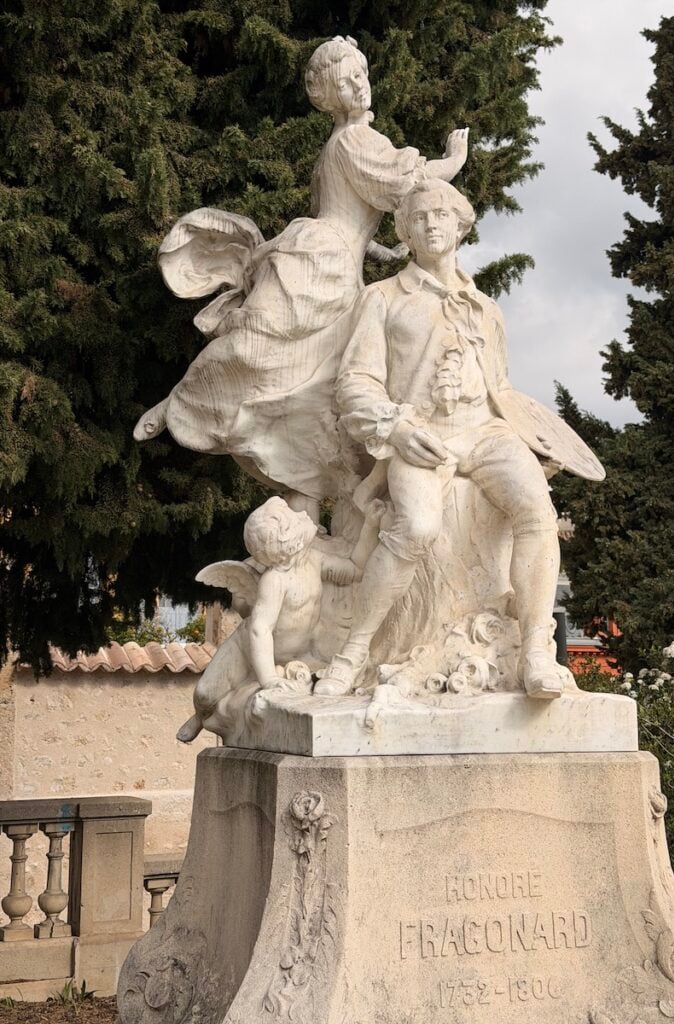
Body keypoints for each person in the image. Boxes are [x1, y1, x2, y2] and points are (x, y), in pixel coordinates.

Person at [134, 36, 469, 514]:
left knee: (319, 376)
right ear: (331, 96)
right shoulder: (353, 140)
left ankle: (301, 477)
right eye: (347, 81)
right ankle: (182, 400)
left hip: (340, 263)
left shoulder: (344, 141)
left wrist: (380, 249)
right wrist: (452, 161)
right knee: (256, 343)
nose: (360, 85)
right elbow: (403, 183)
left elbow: (352, 211)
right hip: (321, 258)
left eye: (361, 75)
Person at [316, 179, 564, 699]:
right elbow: (355, 382)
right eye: (420, 216)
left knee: (538, 511)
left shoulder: (486, 308)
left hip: (487, 432)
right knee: (417, 527)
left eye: (442, 214)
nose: (432, 224)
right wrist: (398, 429)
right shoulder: (383, 298)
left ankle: (537, 650)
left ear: (460, 225)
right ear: (405, 231)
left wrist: (536, 441)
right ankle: (354, 651)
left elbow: (501, 389)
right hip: (421, 435)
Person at [177, 495, 384, 742]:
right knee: (205, 694)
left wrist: (370, 525)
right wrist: (269, 680)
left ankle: (222, 709)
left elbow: (355, 569)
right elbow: (259, 630)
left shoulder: (314, 560)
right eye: (295, 519)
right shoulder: (274, 580)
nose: (303, 514)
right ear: (290, 543)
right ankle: (199, 716)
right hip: (247, 648)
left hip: (295, 654)